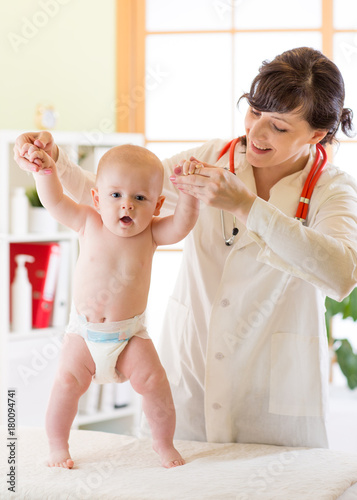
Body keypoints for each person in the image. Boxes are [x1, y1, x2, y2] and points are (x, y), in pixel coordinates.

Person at [15, 47, 357, 449]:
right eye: (253, 113)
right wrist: (52, 162)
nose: (257, 133)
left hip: (272, 395)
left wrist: (247, 206)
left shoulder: (331, 188)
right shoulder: (211, 159)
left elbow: (341, 273)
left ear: (317, 135)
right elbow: (119, 193)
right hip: (191, 370)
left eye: (279, 127)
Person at [18, 143, 199, 469]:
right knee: (65, 385)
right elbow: (55, 201)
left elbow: (183, 225)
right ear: (97, 198)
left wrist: (188, 196)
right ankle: (57, 445)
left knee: (155, 383)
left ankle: (163, 443)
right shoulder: (88, 220)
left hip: (129, 336)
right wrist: (45, 171)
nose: (126, 204)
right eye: (115, 195)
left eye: (140, 198)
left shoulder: (153, 233)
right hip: (83, 335)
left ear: (157, 205)